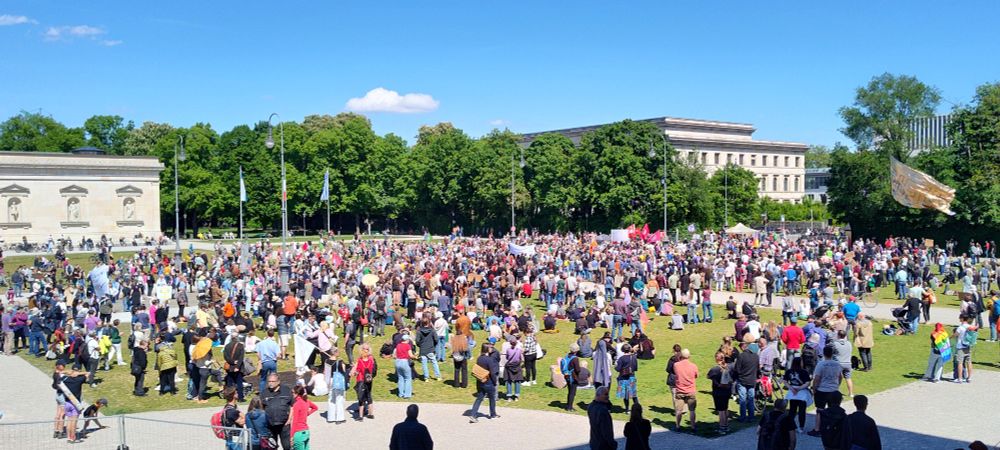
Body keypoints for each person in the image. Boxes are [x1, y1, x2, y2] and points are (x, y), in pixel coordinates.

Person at [808, 346, 843, 437]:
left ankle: (817, 429)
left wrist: (814, 388)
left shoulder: (821, 364)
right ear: (832, 353)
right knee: (832, 410)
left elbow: (817, 378)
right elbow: (840, 376)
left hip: (822, 390)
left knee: (820, 410)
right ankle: (831, 428)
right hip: (833, 390)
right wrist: (837, 385)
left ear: (824, 353)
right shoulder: (837, 364)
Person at [261, 373, 294, 450]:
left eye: (273, 381)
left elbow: (292, 406)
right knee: (271, 447)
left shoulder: (286, 390)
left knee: (287, 447)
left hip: (284, 425)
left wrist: (289, 419)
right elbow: (262, 408)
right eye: (269, 381)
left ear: (278, 382)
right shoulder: (264, 393)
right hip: (270, 426)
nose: (270, 383)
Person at [469, 343, 499, 423]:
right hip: (488, 381)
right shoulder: (489, 359)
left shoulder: (479, 358)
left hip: (480, 381)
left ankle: (473, 414)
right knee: (492, 398)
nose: (491, 349)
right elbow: (492, 373)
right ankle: (493, 414)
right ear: (487, 349)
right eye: (490, 348)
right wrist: (495, 381)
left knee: (479, 398)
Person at [733, 337, 759, 422]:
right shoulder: (756, 356)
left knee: (742, 400)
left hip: (743, 380)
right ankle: (751, 417)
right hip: (752, 380)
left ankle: (743, 417)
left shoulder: (742, 356)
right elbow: (757, 369)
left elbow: (737, 369)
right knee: (751, 399)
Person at [782, 357, 812, 433]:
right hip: (802, 393)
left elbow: (785, 381)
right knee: (802, 411)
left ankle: (791, 426)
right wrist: (799, 388)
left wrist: (791, 388)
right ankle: (801, 427)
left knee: (792, 410)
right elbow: (808, 382)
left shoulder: (789, 371)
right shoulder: (803, 372)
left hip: (792, 393)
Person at [672, 348, 698, 432]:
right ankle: (693, 427)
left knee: (679, 410)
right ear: (689, 356)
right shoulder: (693, 366)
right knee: (692, 410)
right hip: (690, 390)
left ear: (681, 356)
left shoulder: (676, 365)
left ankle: (678, 426)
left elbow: (675, 373)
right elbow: (696, 375)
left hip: (680, 391)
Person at [707, 351, 733, 434]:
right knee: (725, 408)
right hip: (727, 391)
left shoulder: (715, 369)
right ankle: (726, 426)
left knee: (721, 410)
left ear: (716, 358)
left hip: (718, 392)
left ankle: (722, 428)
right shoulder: (728, 368)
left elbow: (708, 376)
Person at [350, 343, 377, 420]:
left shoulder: (360, 361)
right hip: (369, 380)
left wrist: (354, 372)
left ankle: (361, 416)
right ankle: (370, 414)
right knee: (369, 396)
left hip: (361, 380)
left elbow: (357, 372)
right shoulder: (371, 360)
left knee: (361, 398)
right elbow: (372, 370)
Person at [587, 386, 616, 450]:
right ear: (598, 395)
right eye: (605, 394)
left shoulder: (590, 406)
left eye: (608, 394)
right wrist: (612, 444)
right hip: (603, 445)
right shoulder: (603, 411)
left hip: (594, 442)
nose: (608, 396)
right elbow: (606, 431)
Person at [290, 385, 317, 450]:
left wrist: (291, 436)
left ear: (297, 393)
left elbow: (295, 422)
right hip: (306, 432)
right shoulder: (306, 401)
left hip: (298, 434)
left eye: (293, 392)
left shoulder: (296, 404)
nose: (292, 394)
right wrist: (307, 414)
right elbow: (315, 408)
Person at [326, 349, 349, 424]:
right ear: (335, 353)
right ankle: (339, 418)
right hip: (337, 381)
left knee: (331, 399)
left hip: (330, 380)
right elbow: (344, 371)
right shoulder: (339, 362)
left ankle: (330, 417)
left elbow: (326, 372)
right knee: (339, 399)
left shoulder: (326, 361)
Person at [831, 329, 855, 397]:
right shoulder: (849, 343)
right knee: (848, 378)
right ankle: (851, 393)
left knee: (836, 377)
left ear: (838, 335)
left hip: (838, 363)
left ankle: (835, 390)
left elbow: (832, 352)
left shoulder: (835, 343)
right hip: (848, 363)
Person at [615, 343, 639, 411]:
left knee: (625, 395)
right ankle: (637, 408)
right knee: (633, 394)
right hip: (631, 376)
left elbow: (618, 369)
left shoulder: (621, 359)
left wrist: (615, 366)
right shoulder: (634, 357)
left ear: (622, 350)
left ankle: (627, 409)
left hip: (623, 377)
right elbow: (636, 368)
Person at [257, 329, 280, 394]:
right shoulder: (275, 343)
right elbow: (278, 355)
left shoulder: (261, 343)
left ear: (267, 334)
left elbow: (258, 354)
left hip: (264, 362)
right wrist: (276, 358)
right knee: (273, 377)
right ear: (273, 335)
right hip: (272, 361)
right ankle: (273, 390)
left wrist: (260, 361)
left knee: (263, 378)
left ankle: (262, 392)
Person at [394, 333, 416, 399]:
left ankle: (401, 394)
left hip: (398, 362)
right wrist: (415, 357)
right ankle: (407, 394)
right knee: (408, 378)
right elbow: (411, 355)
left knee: (400, 378)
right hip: (405, 362)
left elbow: (395, 355)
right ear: (407, 340)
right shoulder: (407, 346)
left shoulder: (398, 345)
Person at [562, 343, 583, 411]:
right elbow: (577, 369)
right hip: (573, 377)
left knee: (570, 391)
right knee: (572, 393)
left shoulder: (567, 356)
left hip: (567, 375)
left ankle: (568, 405)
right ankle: (569, 407)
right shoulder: (575, 359)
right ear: (576, 350)